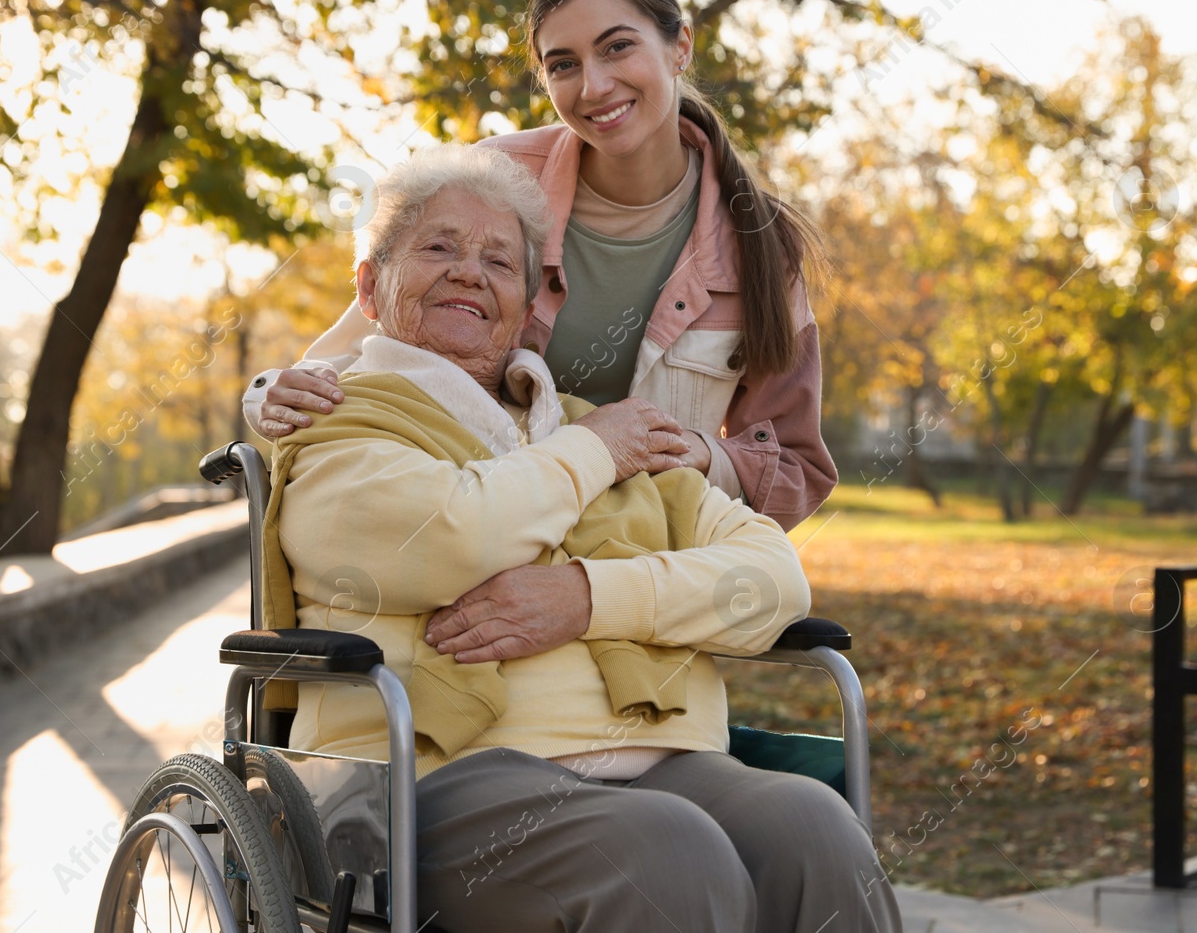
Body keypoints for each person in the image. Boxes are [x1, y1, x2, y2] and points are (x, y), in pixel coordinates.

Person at [262, 142, 901, 933]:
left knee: (816, 828)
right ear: (369, 285)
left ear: (524, 304)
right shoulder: (338, 422)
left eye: (500, 261)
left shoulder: (583, 424)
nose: (470, 271)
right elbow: (454, 532)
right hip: (439, 778)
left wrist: (590, 597)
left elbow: (772, 577)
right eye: (438, 247)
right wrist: (595, 452)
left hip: (665, 758)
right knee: (668, 857)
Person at [246, 0, 839, 532]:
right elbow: (347, 356)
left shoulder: (761, 240)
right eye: (564, 64)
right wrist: (271, 393)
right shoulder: (493, 182)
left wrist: (697, 453)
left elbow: (798, 471)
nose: (595, 85)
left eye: (618, 47)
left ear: (680, 46)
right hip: (479, 527)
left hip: (645, 554)